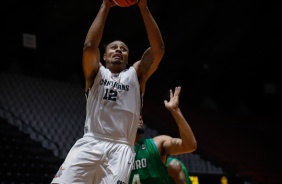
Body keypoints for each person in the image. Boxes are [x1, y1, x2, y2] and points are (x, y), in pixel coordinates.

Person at [51, 0, 165, 183]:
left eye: (124, 49)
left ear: (128, 57)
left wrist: (144, 7)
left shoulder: (137, 75)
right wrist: (105, 5)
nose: (119, 50)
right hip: (91, 142)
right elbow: (89, 46)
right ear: (104, 56)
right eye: (114, 47)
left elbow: (158, 49)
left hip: (121, 147)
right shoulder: (95, 73)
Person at [129, 86, 197, 184]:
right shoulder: (116, 150)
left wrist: (176, 111)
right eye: (134, 116)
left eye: (140, 116)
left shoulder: (157, 144)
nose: (140, 117)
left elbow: (190, 145)